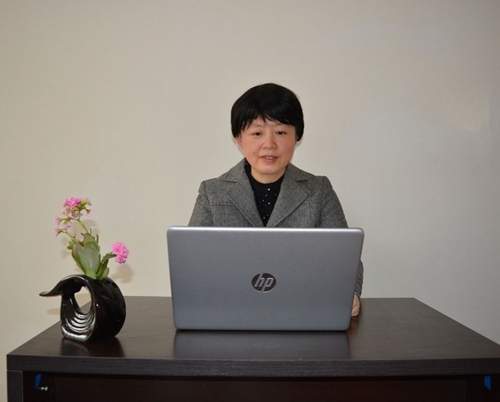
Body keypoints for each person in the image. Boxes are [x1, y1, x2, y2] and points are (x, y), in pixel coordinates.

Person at [188, 83, 363, 316]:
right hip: (231, 313)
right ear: (239, 138)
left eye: (280, 132)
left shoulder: (319, 190)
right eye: (257, 133)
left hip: (302, 313)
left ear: (297, 136)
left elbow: (345, 259)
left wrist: (350, 293)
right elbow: (193, 263)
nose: (269, 144)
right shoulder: (212, 193)